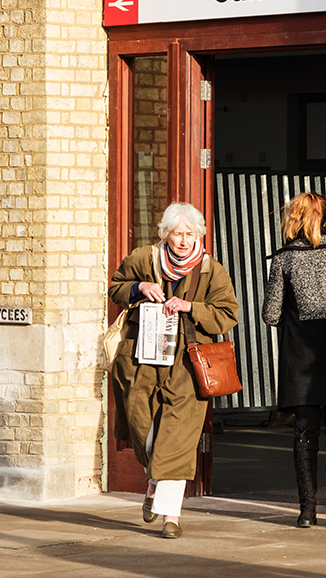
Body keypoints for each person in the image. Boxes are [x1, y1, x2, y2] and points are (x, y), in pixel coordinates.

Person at [108, 202, 239, 539]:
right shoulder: (144, 258)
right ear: (165, 234)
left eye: (190, 234)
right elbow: (115, 287)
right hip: (141, 359)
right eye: (178, 233)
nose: (184, 240)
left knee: (177, 438)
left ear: (199, 235)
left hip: (187, 363)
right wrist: (139, 288)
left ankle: (171, 516)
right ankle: (154, 483)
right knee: (144, 430)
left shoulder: (211, 270)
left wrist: (190, 307)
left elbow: (228, 313)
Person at [261, 192, 326, 528]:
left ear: (294, 222)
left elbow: (271, 315)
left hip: (300, 354)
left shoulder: (284, 259)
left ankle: (307, 510)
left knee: (305, 431)